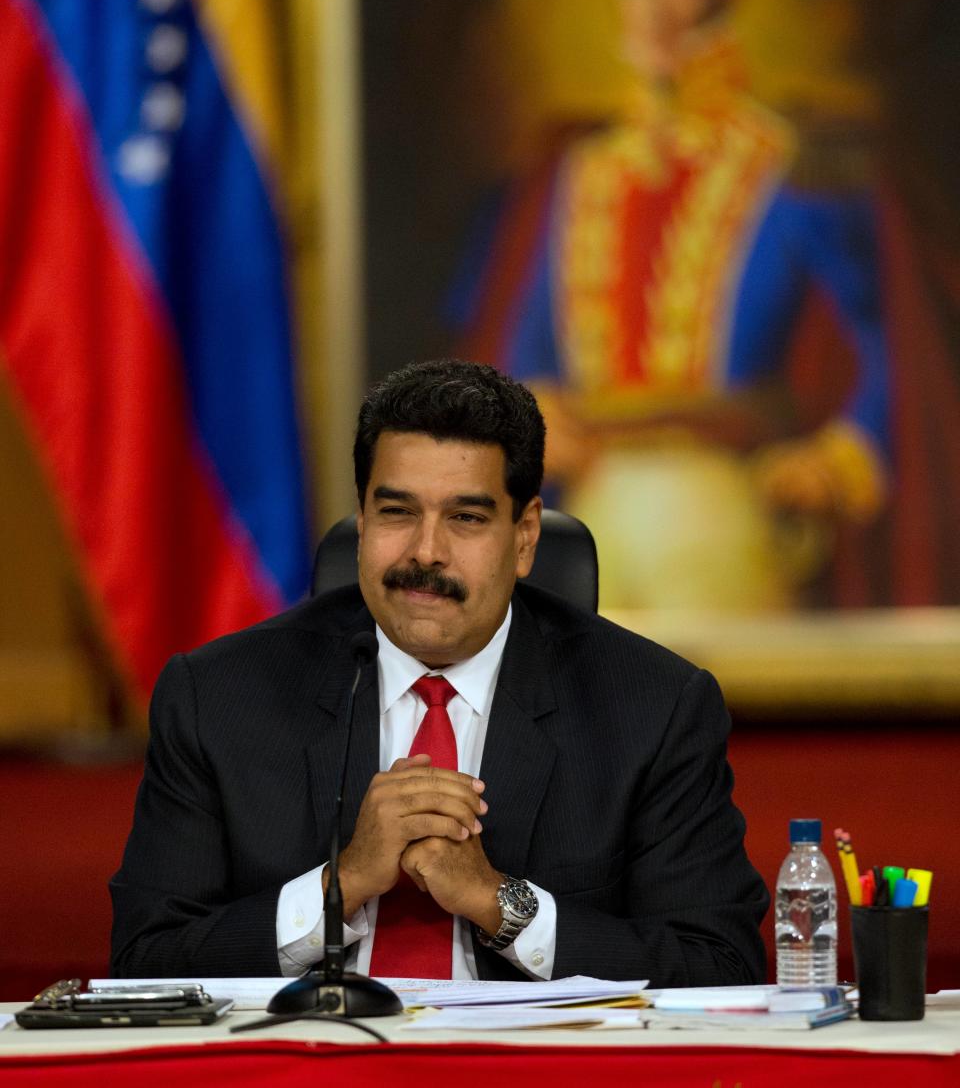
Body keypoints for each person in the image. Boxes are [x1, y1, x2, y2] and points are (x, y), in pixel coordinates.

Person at [110, 358, 768, 983]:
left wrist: (500, 904)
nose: (426, 552)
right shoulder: (220, 697)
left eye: (467, 518)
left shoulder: (650, 708)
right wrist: (342, 886)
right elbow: (145, 962)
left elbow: (720, 965)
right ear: (362, 521)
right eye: (397, 513)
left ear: (526, 536)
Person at [458, 0, 890, 610]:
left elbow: (887, 353)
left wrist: (833, 459)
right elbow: (517, 354)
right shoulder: (571, 172)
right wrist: (530, 419)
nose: (655, 9)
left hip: (726, 520)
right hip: (582, 522)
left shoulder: (793, 168)